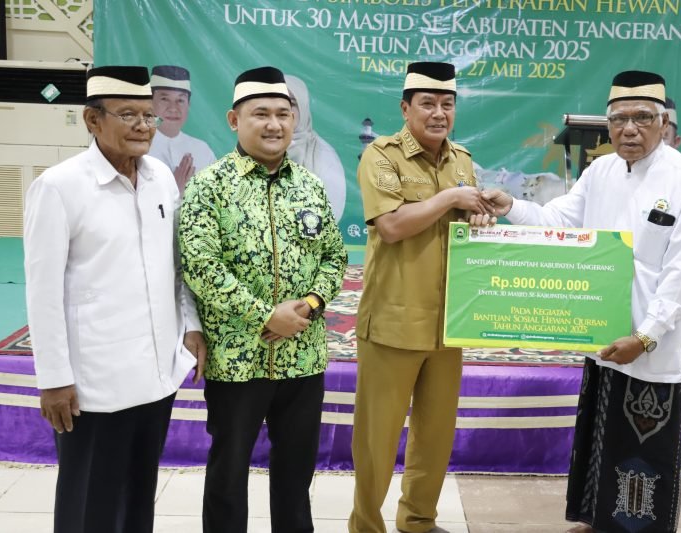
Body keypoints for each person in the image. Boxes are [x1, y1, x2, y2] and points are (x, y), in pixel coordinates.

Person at [476, 71, 681, 533]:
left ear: (663, 121)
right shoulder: (601, 171)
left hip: (652, 349)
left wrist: (645, 337)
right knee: (600, 435)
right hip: (603, 333)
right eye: (620, 118)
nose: (630, 129)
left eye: (643, 118)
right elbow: (556, 220)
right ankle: (595, 521)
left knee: (644, 453)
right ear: (607, 124)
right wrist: (510, 206)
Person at [23, 65, 207, 533]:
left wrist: (190, 326)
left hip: (154, 376)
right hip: (93, 385)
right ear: (92, 120)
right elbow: (42, 290)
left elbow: (176, 265)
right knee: (90, 504)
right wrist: (54, 379)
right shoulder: (60, 187)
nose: (145, 126)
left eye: (148, 115)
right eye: (129, 115)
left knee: (137, 498)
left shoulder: (162, 178)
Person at [178, 66, 347, 533]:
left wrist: (309, 306)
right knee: (228, 474)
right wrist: (264, 314)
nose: (274, 124)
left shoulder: (309, 184)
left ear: (295, 119)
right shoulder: (209, 186)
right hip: (237, 359)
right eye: (261, 114)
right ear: (235, 120)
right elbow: (201, 266)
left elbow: (334, 258)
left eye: (282, 114)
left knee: (296, 475)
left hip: (304, 359)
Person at [348, 61, 489, 533]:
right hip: (393, 321)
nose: (439, 113)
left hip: (448, 323)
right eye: (427, 103)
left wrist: (482, 217)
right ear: (406, 107)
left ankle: (418, 522)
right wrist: (451, 200)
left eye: (447, 104)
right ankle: (366, 525)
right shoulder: (381, 156)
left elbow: (467, 226)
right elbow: (390, 227)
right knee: (377, 441)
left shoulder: (462, 160)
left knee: (434, 437)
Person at [285, 73, 347, 221]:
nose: (283, 109)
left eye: (291, 103)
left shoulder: (323, 155)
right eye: (276, 100)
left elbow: (330, 217)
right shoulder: (257, 150)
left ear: (303, 106)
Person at [149, 65, 216, 193]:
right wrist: (175, 191)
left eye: (180, 100)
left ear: (188, 105)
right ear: (149, 103)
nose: (173, 108)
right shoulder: (135, 147)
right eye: (165, 99)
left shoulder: (203, 150)